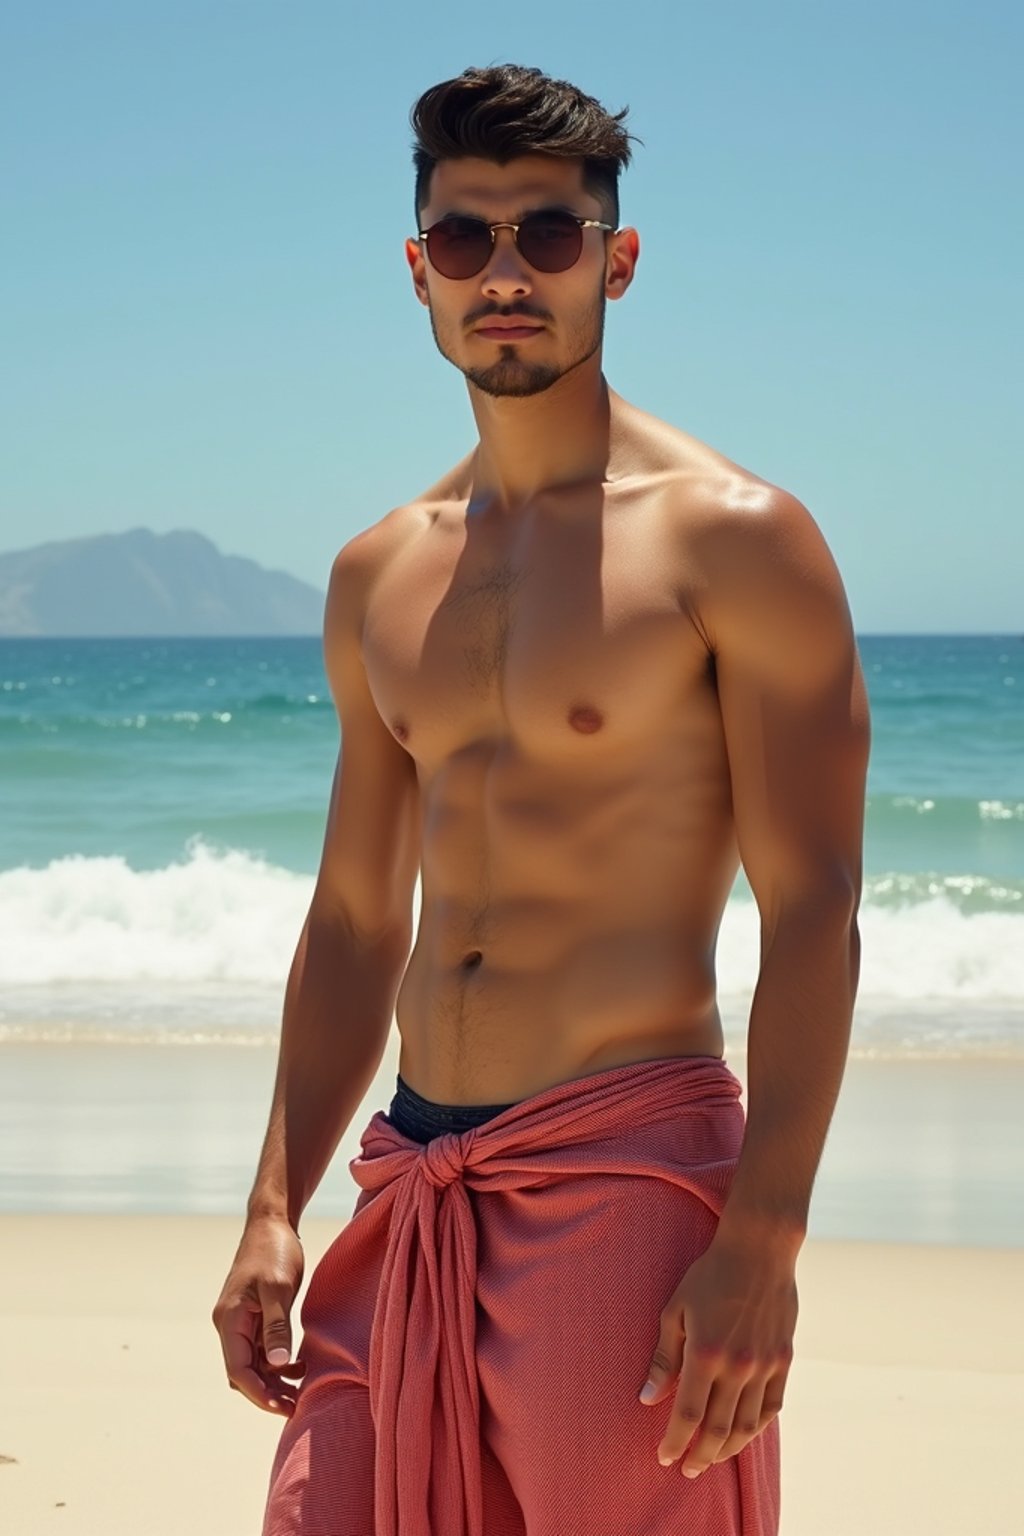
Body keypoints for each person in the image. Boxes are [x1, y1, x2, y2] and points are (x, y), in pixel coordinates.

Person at [213, 62, 870, 1536]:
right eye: (466, 241)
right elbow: (356, 918)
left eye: (548, 237)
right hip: (412, 1177)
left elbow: (815, 908)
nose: (504, 274)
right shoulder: (381, 572)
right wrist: (274, 1202)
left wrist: (762, 1238)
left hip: (628, 1175)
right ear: (419, 273)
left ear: (616, 262)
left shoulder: (738, 540)